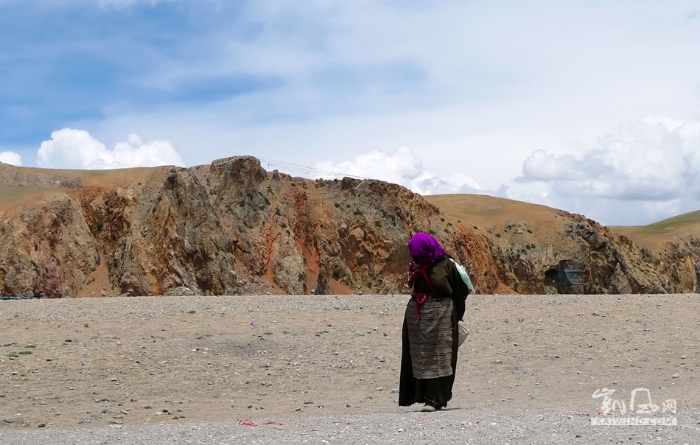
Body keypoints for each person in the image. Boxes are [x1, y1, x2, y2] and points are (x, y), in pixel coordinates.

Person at [399, 232, 470, 412]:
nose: (416, 257)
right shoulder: (416, 266)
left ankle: (435, 399)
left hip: (442, 316)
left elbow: (460, 291)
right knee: (419, 356)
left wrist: (456, 314)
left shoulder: (446, 265)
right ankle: (420, 395)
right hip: (417, 316)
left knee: (441, 356)